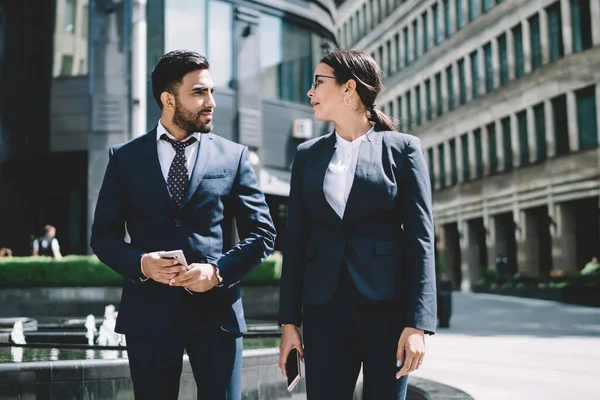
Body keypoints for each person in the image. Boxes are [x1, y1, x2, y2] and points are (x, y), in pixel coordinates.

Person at [90, 50, 276, 400]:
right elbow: (102, 237)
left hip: (217, 313)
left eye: (212, 92)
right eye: (199, 92)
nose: (211, 103)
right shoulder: (125, 158)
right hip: (148, 315)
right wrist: (142, 263)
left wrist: (217, 272)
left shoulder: (233, 156)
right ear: (168, 98)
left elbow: (262, 233)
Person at [277, 50, 437, 400]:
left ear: (349, 89)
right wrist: (289, 323)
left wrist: (418, 324)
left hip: (388, 313)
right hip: (324, 311)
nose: (310, 92)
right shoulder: (307, 155)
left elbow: (420, 239)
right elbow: (296, 240)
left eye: (319, 82)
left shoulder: (403, 149)